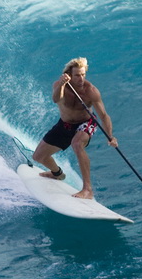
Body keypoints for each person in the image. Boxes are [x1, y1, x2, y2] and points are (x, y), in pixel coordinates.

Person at [32, 57, 118, 199]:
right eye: (77, 75)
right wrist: (61, 84)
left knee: (77, 144)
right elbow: (56, 99)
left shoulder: (91, 91)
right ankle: (57, 174)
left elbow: (104, 115)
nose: (81, 78)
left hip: (86, 123)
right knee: (39, 157)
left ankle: (88, 190)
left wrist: (110, 136)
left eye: (83, 75)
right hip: (65, 124)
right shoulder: (60, 86)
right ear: (70, 75)